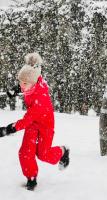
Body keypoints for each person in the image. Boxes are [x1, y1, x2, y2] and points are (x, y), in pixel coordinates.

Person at [0, 53, 69, 190]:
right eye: (20, 82)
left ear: (32, 83)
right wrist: (17, 89)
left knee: (43, 154)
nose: (22, 85)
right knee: (25, 152)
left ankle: (62, 151)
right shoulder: (34, 80)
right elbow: (28, 80)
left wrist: (8, 129)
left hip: (45, 125)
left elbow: (26, 120)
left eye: (24, 83)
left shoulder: (40, 99)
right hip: (33, 124)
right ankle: (31, 178)